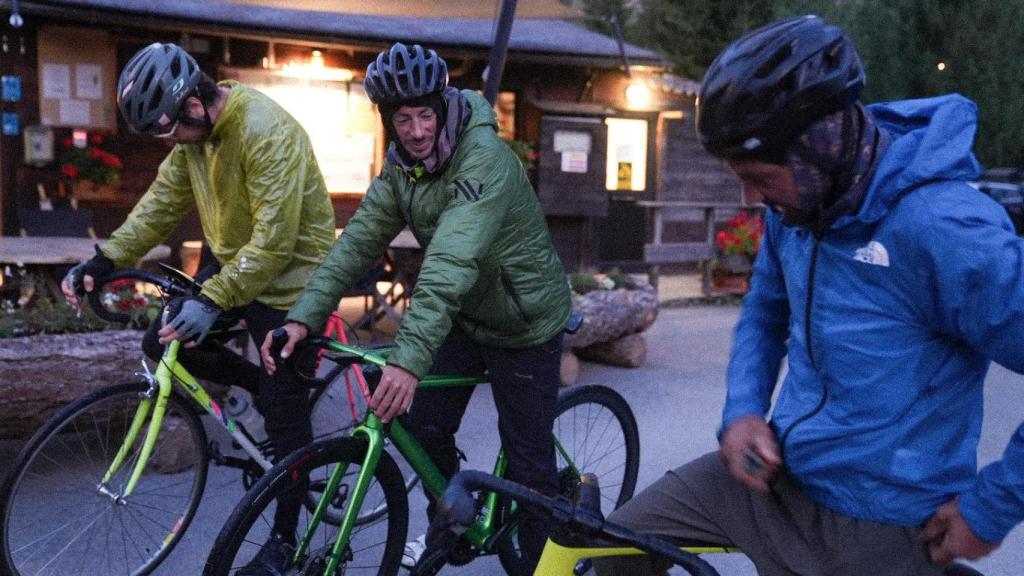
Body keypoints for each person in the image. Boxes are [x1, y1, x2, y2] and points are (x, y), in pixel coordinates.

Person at [594, 14, 1024, 576]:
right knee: (611, 548)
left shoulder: (945, 229)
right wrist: (743, 410)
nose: (749, 199)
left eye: (758, 176)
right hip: (775, 480)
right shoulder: (797, 209)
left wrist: (990, 509)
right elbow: (764, 311)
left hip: (882, 520)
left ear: (819, 149)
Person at [262, 42, 572, 574]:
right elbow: (356, 243)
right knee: (424, 428)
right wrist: (303, 317)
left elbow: (450, 261)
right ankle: (455, 520)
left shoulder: (483, 159)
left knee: (528, 464)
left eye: (425, 114)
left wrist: (406, 361)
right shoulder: (403, 169)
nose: (416, 130)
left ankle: (545, 563)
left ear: (443, 105)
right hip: (465, 316)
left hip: (523, 322)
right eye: (402, 119)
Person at [60, 42, 335, 576]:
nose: (168, 143)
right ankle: (264, 387)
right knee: (162, 341)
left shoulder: (264, 130)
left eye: (168, 131)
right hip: (237, 267)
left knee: (285, 418)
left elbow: (274, 244)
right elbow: (160, 205)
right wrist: (105, 259)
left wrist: (210, 299)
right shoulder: (194, 137)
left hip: (294, 280)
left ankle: (286, 540)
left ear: (193, 105)